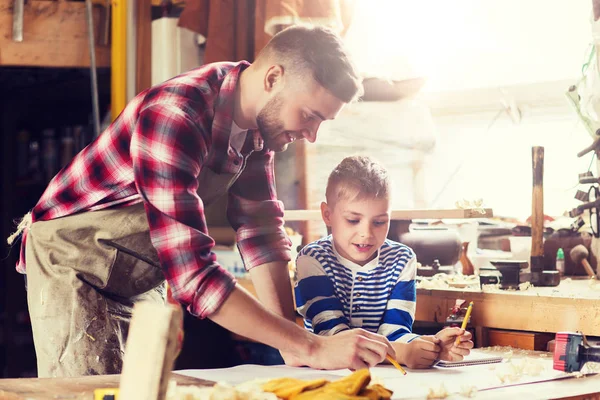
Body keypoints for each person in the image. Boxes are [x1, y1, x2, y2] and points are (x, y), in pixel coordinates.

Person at [7, 26, 396, 377]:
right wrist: (311, 345)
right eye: (310, 116)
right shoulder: (175, 115)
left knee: (143, 390)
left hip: (133, 275)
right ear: (274, 78)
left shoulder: (260, 130)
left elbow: (261, 234)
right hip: (76, 265)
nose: (311, 135)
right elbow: (194, 275)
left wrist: (292, 345)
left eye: (321, 123)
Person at [294, 155, 474, 369]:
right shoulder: (312, 259)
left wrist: (431, 347)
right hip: (324, 375)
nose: (366, 233)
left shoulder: (402, 260)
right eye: (353, 220)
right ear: (327, 214)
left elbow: (395, 332)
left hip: (381, 372)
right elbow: (333, 337)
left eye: (379, 222)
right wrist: (403, 352)